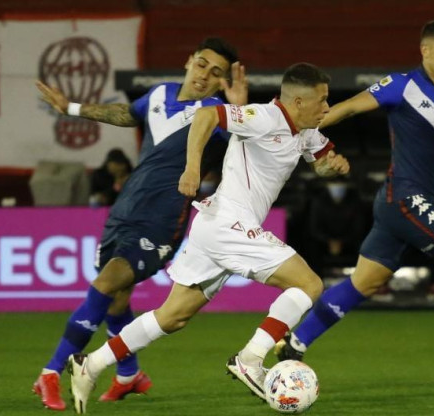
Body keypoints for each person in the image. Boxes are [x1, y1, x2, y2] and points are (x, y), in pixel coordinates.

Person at [65, 63, 350, 414]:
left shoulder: (306, 130)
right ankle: (250, 359)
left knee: (173, 316)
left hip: (214, 226)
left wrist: (331, 166)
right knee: (309, 285)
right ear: (298, 100)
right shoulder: (263, 117)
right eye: (321, 100)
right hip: (229, 222)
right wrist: (192, 167)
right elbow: (206, 117)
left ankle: (90, 364)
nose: (327, 107)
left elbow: (319, 162)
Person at [275, 18, 434, 368]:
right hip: (405, 197)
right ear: (425, 50)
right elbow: (348, 108)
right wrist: (291, 124)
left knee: (363, 284)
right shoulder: (400, 85)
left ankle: (295, 343)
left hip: (402, 203)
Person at [32, 37, 248, 411]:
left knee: (105, 284)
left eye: (216, 73)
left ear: (222, 83)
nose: (204, 76)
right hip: (124, 211)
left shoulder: (216, 113)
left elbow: (246, 142)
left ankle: (50, 373)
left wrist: (240, 110)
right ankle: (129, 375)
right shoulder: (160, 94)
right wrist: (71, 107)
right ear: (188, 62)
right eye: (201, 64)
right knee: (116, 299)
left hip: (161, 221)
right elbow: (126, 114)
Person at [307, 178, 365, 273]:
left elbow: (358, 226)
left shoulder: (354, 201)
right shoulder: (318, 201)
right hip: (346, 244)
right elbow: (314, 227)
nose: (337, 186)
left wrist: (332, 240)